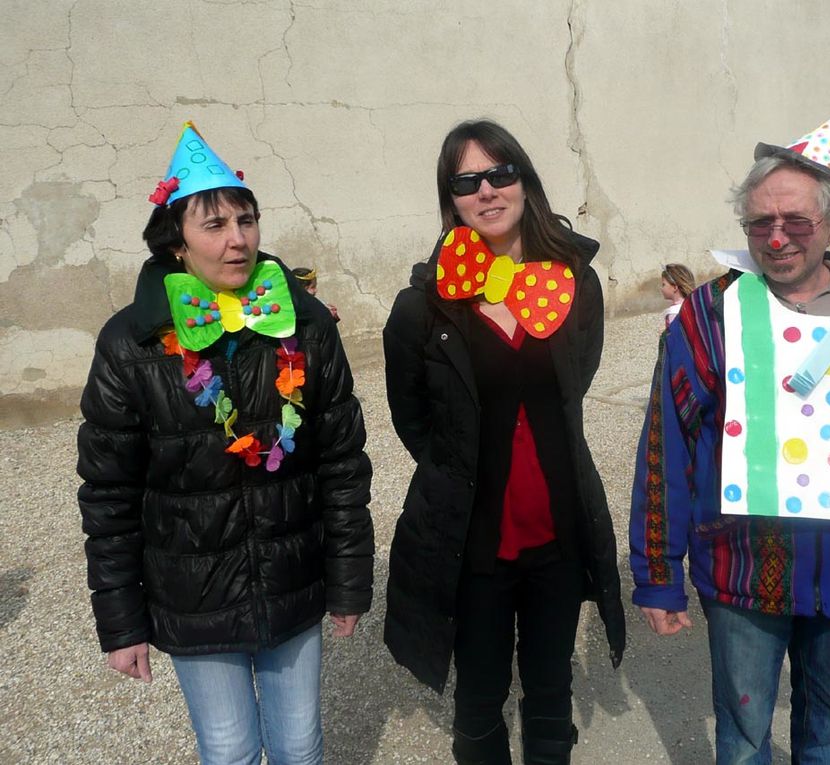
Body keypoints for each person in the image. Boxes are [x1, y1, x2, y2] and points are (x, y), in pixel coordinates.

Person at [629, 117, 830, 764]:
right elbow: (665, 447)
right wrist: (657, 574)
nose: (776, 238)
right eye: (759, 223)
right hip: (742, 568)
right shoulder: (708, 314)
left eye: (796, 222)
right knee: (745, 732)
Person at [77, 121, 374, 765]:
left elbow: (343, 463)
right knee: (230, 749)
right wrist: (122, 622)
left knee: (300, 746)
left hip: (292, 580)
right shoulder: (131, 343)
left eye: (247, 220)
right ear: (176, 243)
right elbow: (108, 492)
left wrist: (349, 581)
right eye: (214, 225)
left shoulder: (307, 324)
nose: (237, 239)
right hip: (194, 590)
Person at [382, 119, 625, 765]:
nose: (487, 190)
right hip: (474, 540)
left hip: (556, 532)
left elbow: (577, 381)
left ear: (525, 180)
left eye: (500, 173)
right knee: (480, 695)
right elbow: (415, 422)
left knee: (551, 688)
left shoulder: (577, 286)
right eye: (467, 180)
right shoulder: (421, 308)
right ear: (451, 197)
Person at [660, 263, 695, 329]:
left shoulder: (673, 313)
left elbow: (673, 337)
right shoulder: (693, 306)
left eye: (663, 284)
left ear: (675, 287)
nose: (661, 288)